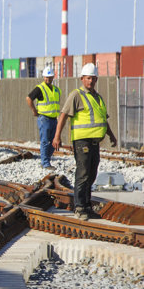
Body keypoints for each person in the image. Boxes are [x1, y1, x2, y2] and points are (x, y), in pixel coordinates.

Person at [52, 63, 117, 220]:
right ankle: (79, 207)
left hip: (95, 142)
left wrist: (111, 135)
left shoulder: (98, 97)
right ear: (82, 79)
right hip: (82, 142)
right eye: (88, 78)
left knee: (92, 174)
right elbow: (63, 115)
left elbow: (103, 120)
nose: (91, 81)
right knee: (83, 174)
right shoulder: (76, 95)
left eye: (93, 78)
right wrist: (57, 136)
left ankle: (87, 206)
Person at [26, 66, 60, 170]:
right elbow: (29, 98)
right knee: (45, 141)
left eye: (49, 77)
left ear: (53, 77)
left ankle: (46, 161)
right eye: (46, 77)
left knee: (54, 141)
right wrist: (34, 111)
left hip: (54, 119)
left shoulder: (56, 90)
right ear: (43, 77)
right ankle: (45, 163)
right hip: (44, 119)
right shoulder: (40, 88)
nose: (48, 79)